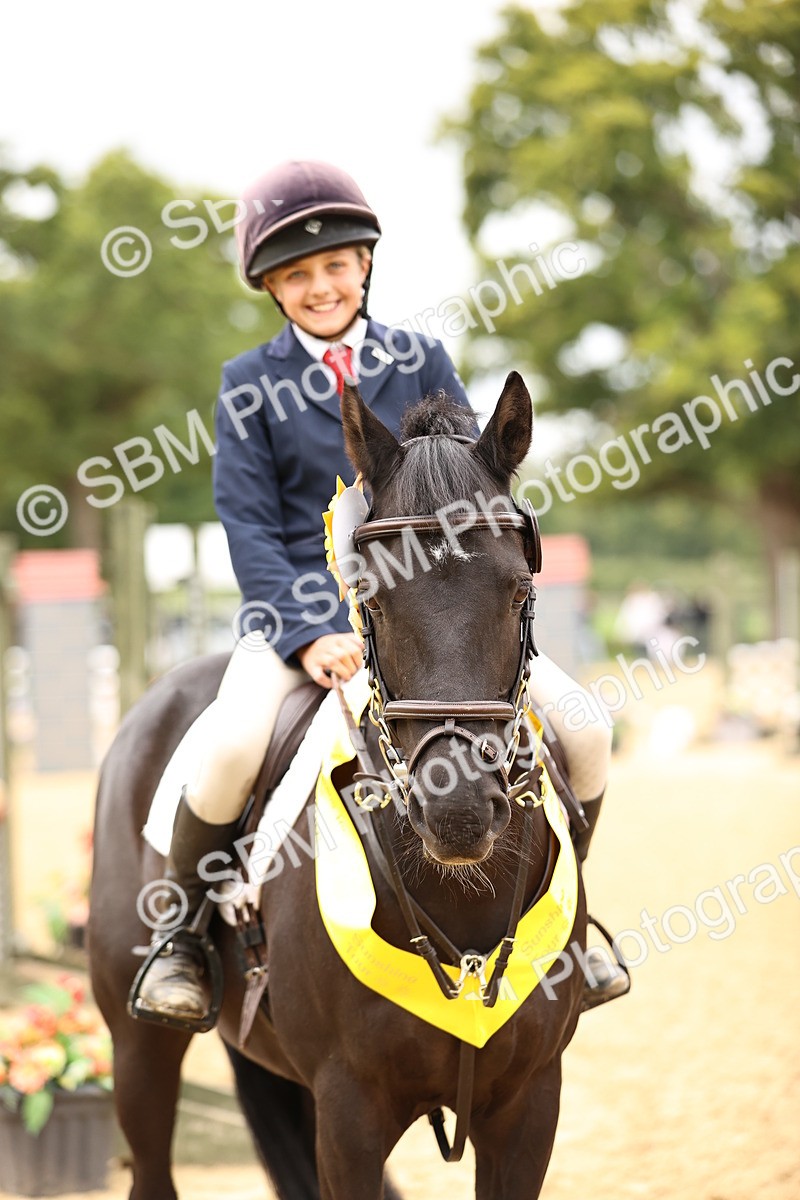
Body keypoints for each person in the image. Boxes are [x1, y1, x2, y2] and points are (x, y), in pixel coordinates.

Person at [134, 160, 627, 1027]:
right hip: (301, 623)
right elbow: (249, 526)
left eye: (335, 265)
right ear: (272, 289)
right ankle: (182, 937)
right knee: (229, 744)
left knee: (586, 728)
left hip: (434, 617)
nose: (320, 286)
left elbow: (478, 487)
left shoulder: (421, 357)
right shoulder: (247, 382)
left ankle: (574, 920)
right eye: (297, 275)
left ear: (364, 264)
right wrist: (308, 635)